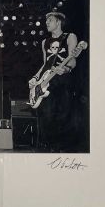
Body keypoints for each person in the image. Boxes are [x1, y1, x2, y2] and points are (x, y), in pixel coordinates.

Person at [28, 12, 77, 152]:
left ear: (59, 22)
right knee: (46, 116)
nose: (47, 23)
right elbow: (45, 64)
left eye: (50, 20)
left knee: (62, 116)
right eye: (46, 21)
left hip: (62, 81)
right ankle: (46, 149)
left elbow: (73, 59)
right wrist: (35, 78)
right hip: (46, 82)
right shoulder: (45, 42)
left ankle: (61, 150)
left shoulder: (70, 37)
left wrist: (66, 69)